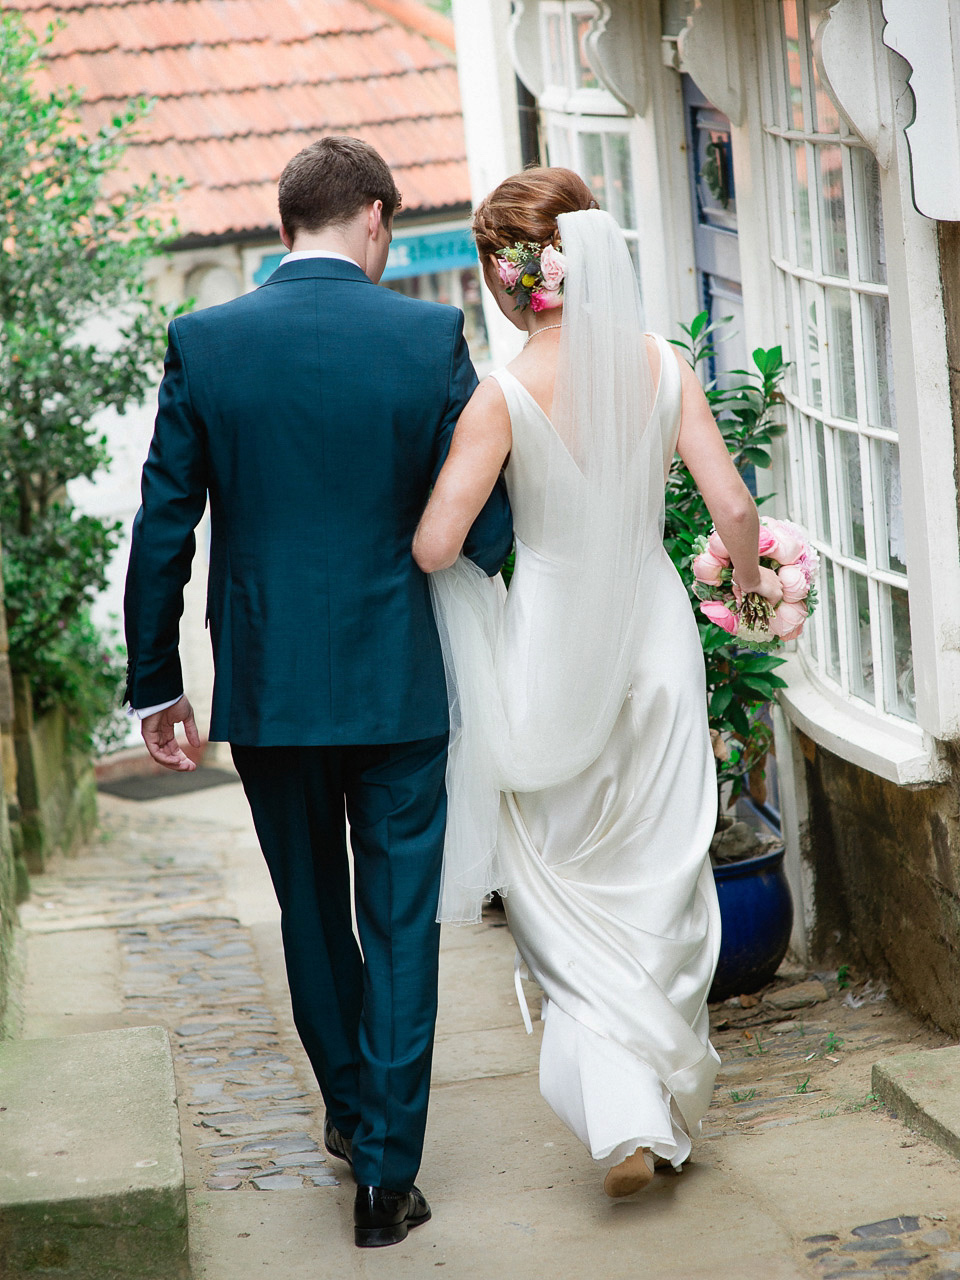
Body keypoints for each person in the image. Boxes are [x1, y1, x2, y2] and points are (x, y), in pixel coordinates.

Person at [123, 136, 513, 1247]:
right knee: (398, 923)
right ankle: (386, 1170)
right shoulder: (427, 336)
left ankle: (349, 1111)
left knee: (311, 911)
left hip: (271, 684)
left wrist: (157, 683)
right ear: (379, 219)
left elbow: (165, 528)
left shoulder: (206, 341)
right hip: (396, 680)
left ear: (287, 221)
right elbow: (479, 516)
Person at [413, 168, 783, 1198]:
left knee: (562, 887)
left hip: (549, 653)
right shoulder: (660, 366)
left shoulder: (501, 396)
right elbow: (735, 510)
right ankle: (654, 1106)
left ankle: (623, 1118)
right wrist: (749, 594)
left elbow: (439, 543)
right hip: (655, 640)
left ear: (504, 271)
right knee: (658, 875)